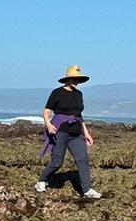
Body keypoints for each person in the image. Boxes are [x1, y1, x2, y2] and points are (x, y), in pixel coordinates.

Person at [35, 65, 101, 199]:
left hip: (76, 134)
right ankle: (41, 180)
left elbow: (79, 116)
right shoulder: (57, 93)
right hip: (60, 132)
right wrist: (48, 124)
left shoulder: (79, 94)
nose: (76, 82)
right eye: (74, 79)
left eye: (78, 80)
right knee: (57, 162)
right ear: (67, 79)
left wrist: (87, 133)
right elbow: (46, 112)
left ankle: (87, 190)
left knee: (82, 160)